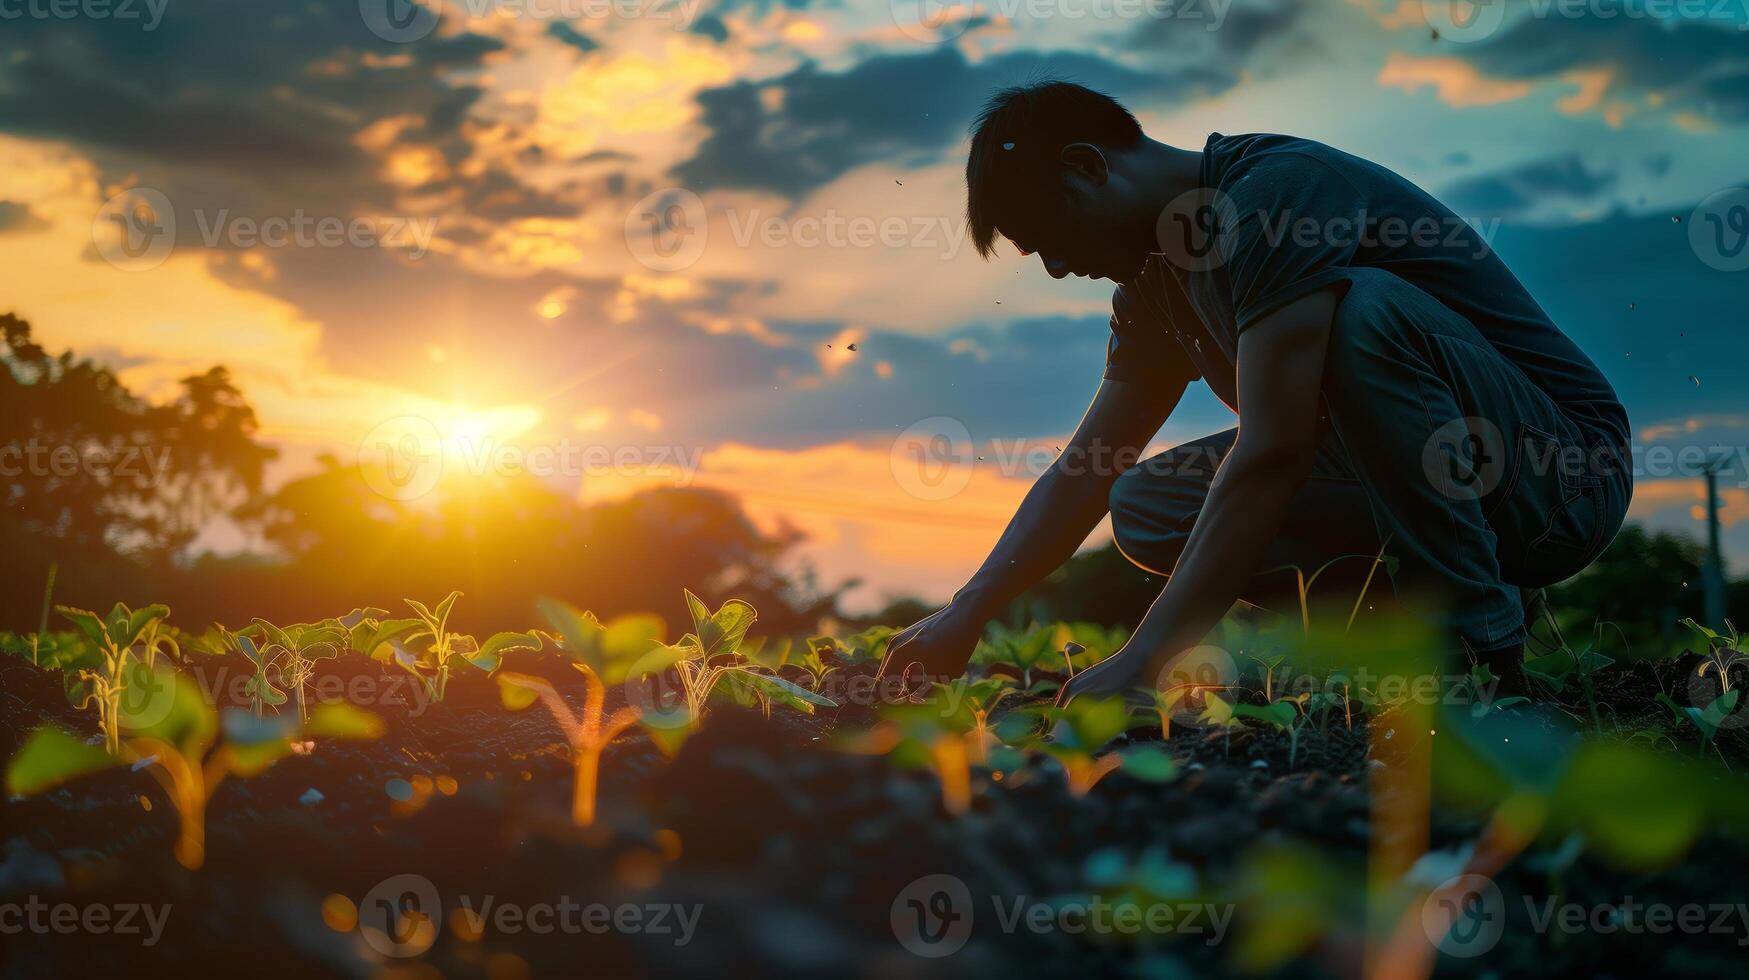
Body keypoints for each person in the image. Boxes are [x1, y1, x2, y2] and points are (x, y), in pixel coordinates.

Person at [876, 81, 1631, 702]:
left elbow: (1272, 451)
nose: (1055, 269)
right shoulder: (1151, 288)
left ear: (1088, 166)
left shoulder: (1274, 196)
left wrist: (1141, 664)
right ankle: (1406, 640)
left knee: (1361, 312)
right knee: (1144, 504)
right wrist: (967, 608)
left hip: (1559, 478)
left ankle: (1475, 654)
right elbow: (1087, 467)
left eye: (1047, 234)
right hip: (1436, 488)